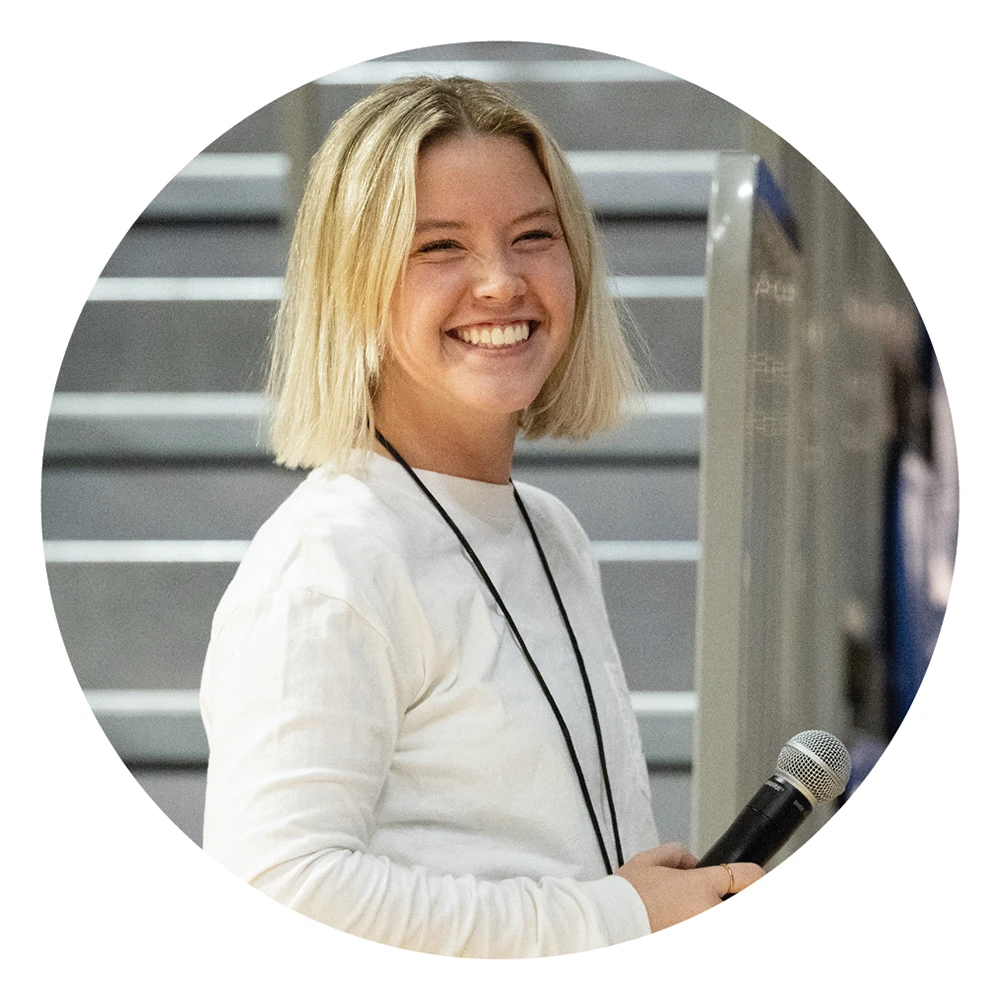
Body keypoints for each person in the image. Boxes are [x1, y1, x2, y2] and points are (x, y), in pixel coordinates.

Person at [199, 75, 763, 958]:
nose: (501, 282)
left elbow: (528, 857)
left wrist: (641, 904)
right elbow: (279, 889)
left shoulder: (551, 532)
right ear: (353, 284)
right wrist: (611, 918)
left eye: (535, 236)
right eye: (440, 246)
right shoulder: (328, 563)